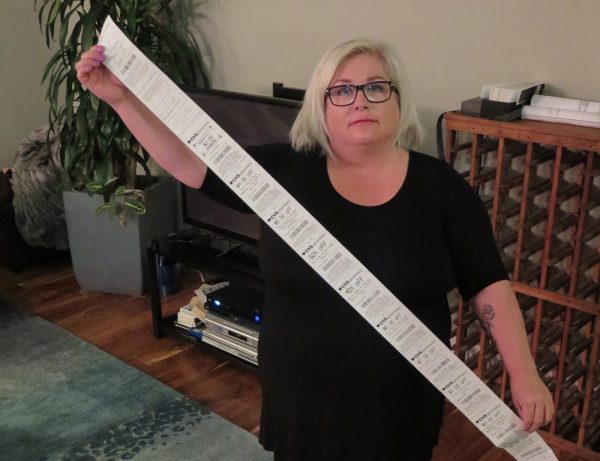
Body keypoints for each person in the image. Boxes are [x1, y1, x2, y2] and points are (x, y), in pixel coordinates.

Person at [76, 38, 554, 460]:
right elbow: (188, 164)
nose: (359, 100)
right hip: (302, 398)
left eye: (375, 87)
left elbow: (488, 284)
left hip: (398, 405)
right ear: (321, 107)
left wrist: (525, 375)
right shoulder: (285, 172)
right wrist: (120, 100)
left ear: (396, 99)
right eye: (341, 90)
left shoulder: (442, 189)